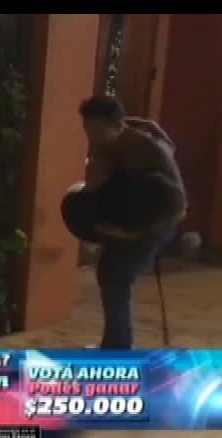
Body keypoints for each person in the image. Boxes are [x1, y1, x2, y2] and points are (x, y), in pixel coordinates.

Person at [79, 95, 187, 349]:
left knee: (117, 278)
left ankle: (117, 348)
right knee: (109, 274)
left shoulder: (146, 151)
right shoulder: (112, 137)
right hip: (130, 215)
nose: (92, 136)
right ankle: (115, 344)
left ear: (117, 125)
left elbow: (176, 204)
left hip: (157, 221)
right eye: (88, 129)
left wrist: (129, 234)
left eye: (97, 130)